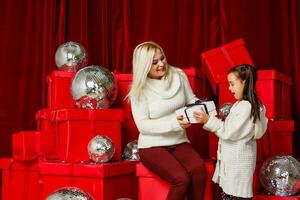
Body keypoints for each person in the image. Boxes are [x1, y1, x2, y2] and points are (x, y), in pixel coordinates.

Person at [127, 41, 206, 200]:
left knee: (198, 170)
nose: (162, 64)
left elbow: (191, 99)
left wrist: (202, 108)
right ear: (144, 66)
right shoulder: (139, 89)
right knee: (181, 179)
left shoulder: (179, 75)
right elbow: (143, 126)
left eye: (162, 58)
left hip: (178, 141)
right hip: (151, 145)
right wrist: (175, 124)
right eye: (155, 62)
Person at [193, 64, 268, 199]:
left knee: (234, 196)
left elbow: (229, 132)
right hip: (234, 169)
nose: (229, 88)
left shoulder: (246, 106)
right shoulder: (240, 105)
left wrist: (208, 120)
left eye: (232, 84)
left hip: (237, 170)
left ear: (244, 82)